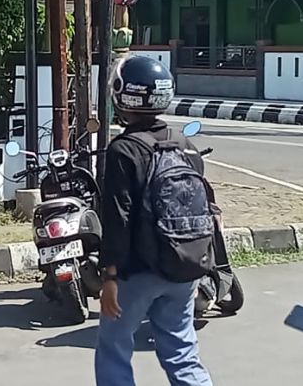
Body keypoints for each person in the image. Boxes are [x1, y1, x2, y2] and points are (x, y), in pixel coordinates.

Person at [95, 55, 215, 386]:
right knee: (181, 351)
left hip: (137, 274)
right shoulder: (185, 145)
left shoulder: (123, 150)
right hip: (184, 268)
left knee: (113, 348)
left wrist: (109, 277)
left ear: (120, 95)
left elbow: (117, 218)